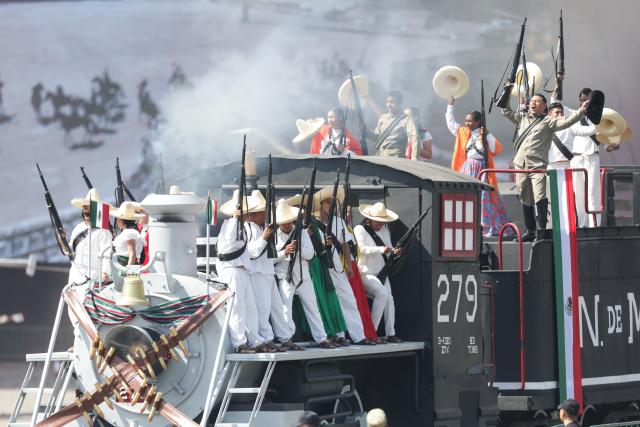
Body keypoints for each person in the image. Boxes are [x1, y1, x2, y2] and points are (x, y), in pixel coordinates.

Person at [502, 91, 589, 241]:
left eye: (537, 101)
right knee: (525, 197)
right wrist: (508, 91)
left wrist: (582, 111)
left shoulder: (548, 122)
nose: (533, 103)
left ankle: (542, 231)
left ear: (544, 106)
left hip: (537, 166)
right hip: (521, 165)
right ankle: (530, 231)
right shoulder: (522, 119)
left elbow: (566, 122)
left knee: (540, 197)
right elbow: (506, 110)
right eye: (532, 101)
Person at [313, 186, 375, 345]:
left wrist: (348, 264)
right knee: (329, 302)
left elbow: (345, 244)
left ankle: (359, 336)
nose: (330, 206)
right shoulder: (313, 224)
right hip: (322, 268)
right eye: (326, 203)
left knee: (349, 300)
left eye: (332, 203)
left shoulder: (339, 221)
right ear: (320, 205)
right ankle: (338, 335)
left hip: (337, 267)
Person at [274, 199, 333, 348]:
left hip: (303, 276)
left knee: (313, 308)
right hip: (285, 276)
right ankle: (286, 339)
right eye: (283, 222)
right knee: (285, 308)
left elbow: (311, 254)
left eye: (288, 221)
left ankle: (321, 338)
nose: (286, 225)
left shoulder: (301, 233)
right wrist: (284, 252)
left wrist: (297, 248)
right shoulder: (274, 235)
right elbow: (271, 258)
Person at [447, 97, 511, 236]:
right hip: (467, 169)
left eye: (470, 121)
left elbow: (495, 149)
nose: (466, 123)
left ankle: (486, 226)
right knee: (466, 197)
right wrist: (450, 106)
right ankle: (467, 225)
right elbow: (451, 124)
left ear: (477, 122)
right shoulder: (464, 132)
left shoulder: (485, 134)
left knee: (484, 198)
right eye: (466, 120)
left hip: (482, 171)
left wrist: (486, 134)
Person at [246, 190, 300, 352]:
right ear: (255, 213)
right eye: (263, 211)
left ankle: (285, 337)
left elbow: (270, 254)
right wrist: (263, 237)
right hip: (257, 273)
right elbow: (251, 252)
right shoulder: (247, 228)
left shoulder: (262, 226)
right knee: (263, 308)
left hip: (268, 271)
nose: (266, 214)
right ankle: (265, 339)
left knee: (276, 307)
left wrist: (283, 252)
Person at [216, 190, 262, 354]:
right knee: (237, 308)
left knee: (250, 308)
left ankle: (255, 341)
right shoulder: (229, 224)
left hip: (243, 270)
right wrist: (235, 218)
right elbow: (229, 241)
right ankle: (239, 343)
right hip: (232, 270)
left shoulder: (243, 226)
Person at [552, 85, 600, 227]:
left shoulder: (599, 119)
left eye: (585, 100)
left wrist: (612, 146)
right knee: (579, 196)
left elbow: (607, 143)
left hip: (591, 157)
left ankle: (594, 226)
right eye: (580, 100)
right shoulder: (573, 114)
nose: (582, 102)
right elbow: (555, 101)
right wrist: (559, 81)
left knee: (592, 193)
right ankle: (583, 226)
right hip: (576, 160)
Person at [353, 203, 402, 343]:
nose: (380, 224)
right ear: (369, 219)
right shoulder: (360, 229)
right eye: (377, 222)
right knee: (382, 293)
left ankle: (390, 333)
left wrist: (395, 252)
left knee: (389, 299)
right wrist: (381, 249)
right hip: (365, 273)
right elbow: (361, 249)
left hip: (382, 272)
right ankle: (371, 332)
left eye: (382, 222)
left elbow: (388, 248)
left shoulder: (385, 230)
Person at [67, 188, 112, 289]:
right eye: (85, 207)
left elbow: (107, 254)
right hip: (75, 277)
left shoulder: (103, 231)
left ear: (97, 209)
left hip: (93, 279)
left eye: (90, 207)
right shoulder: (78, 228)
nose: (86, 209)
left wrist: (105, 273)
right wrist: (62, 240)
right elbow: (70, 251)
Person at [365, 90, 419, 159]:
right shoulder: (383, 118)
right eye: (387, 102)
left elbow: (414, 138)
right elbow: (377, 138)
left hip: (396, 159)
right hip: (380, 157)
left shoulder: (406, 120)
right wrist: (365, 131)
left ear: (399, 103)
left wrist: (414, 160)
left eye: (392, 102)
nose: (388, 105)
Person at [110, 202, 146, 266]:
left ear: (121, 220)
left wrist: (129, 272)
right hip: (125, 264)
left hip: (125, 265)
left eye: (117, 219)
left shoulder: (129, 233)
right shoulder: (131, 232)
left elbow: (132, 254)